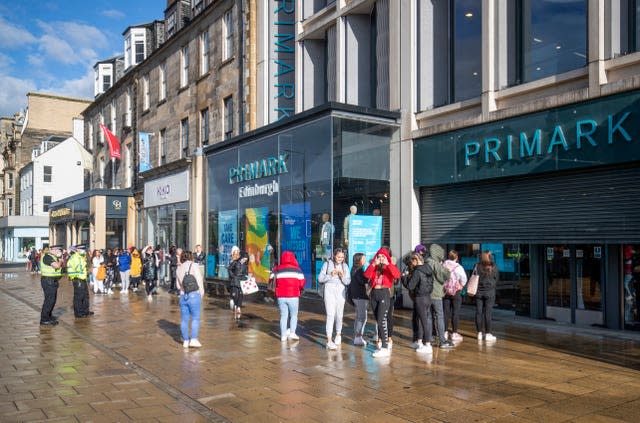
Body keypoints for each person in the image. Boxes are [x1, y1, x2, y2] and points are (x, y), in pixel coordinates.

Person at [364, 247, 400, 357]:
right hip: (374, 294)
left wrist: (388, 264)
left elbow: (397, 275)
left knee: (381, 319)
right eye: (379, 256)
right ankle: (382, 343)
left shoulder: (389, 267)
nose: (380, 258)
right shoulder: (374, 267)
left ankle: (385, 346)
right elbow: (366, 276)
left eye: (383, 256)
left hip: (384, 293)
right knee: (378, 319)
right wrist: (373, 264)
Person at [318, 248, 351, 350]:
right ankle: (329, 340)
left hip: (340, 291)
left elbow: (348, 282)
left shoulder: (345, 266)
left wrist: (342, 276)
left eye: (342, 257)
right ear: (334, 255)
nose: (340, 259)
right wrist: (330, 275)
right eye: (338, 256)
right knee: (330, 314)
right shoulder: (327, 264)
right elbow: (320, 279)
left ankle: (338, 334)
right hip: (329, 290)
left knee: (339, 314)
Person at [271, 251, 306, 342]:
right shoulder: (297, 269)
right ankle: (292, 333)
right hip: (293, 295)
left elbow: (270, 280)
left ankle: (283, 336)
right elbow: (302, 283)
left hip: (281, 296)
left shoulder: (276, 269)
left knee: (283, 315)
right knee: (294, 315)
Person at [426, 244, 455, 349]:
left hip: (427, 294)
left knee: (429, 317)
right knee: (439, 317)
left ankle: (429, 338)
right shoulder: (436, 264)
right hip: (436, 294)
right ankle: (442, 341)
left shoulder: (426, 262)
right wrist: (446, 270)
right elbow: (443, 277)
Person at [406, 253, 435, 353]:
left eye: (411, 262)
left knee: (423, 322)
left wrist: (404, 278)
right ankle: (419, 342)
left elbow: (410, 286)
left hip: (420, 298)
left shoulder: (417, 271)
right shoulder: (429, 268)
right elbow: (431, 284)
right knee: (421, 320)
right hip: (427, 297)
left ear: (415, 260)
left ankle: (427, 344)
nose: (411, 265)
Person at [176, 250, 205, 348]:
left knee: (184, 320)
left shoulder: (178, 268)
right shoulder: (194, 265)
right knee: (195, 318)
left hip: (183, 296)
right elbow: (199, 279)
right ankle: (193, 339)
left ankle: (185, 341)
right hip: (194, 295)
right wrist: (201, 293)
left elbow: (177, 285)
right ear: (191, 257)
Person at [443, 250, 468, 341]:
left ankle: (445, 332)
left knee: (445, 312)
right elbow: (464, 279)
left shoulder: (443, 266)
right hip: (456, 292)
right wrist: (460, 286)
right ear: (456, 257)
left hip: (445, 291)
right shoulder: (459, 267)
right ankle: (454, 333)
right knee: (455, 312)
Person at [476, 251, 499, 341]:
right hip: (490, 292)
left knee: (478, 312)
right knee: (488, 313)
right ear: (490, 257)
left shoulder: (477, 266)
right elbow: (497, 278)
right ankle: (488, 334)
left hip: (478, 292)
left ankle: (479, 333)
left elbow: (473, 276)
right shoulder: (494, 266)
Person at [39, 245, 64, 325]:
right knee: (49, 300)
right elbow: (56, 266)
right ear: (53, 250)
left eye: (60, 250)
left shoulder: (53, 257)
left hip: (52, 281)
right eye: (58, 250)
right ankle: (44, 319)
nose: (59, 252)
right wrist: (60, 261)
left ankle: (48, 316)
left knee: (52, 300)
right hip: (48, 281)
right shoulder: (47, 257)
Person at [67, 245, 93, 318]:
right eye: (82, 249)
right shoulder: (75, 257)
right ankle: (78, 313)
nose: (84, 251)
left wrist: (87, 271)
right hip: (77, 278)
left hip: (83, 278)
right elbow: (74, 268)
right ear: (77, 249)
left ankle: (85, 311)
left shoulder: (81, 257)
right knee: (79, 297)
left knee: (85, 296)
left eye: (84, 249)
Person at [349, 252, 369, 346]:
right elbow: (363, 281)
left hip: (356, 296)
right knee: (362, 317)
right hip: (359, 296)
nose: (365, 260)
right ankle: (358, 337)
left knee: (358, 317)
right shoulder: (359, 270)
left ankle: (357, 335)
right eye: (363, 259)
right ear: (359, 260)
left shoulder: (354, 269)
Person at [227, 246, 248, 317]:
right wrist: (233, 276)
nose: (245, 259)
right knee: (235, 295)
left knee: (241, 295)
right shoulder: (235, 262)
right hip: (235, 281)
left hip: (242, 280)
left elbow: (245, 271)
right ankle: (235, 303)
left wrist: (246, 276)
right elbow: (229, 269)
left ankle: (238, 307)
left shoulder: (244, 262)